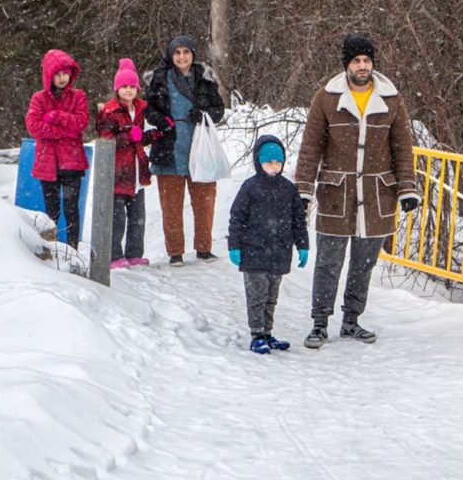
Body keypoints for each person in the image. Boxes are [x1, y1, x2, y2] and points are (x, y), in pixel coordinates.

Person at [294, 33, 420, 349]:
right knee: (328, 262)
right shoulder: (326, 97)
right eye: (356, 61)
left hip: (378, 195)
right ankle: (319, 323)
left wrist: (407, 187)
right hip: (337, 194)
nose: (362, 66)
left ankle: (351, 320)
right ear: (346, 65)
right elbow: (311, 146)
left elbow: (402, 147)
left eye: (366, 60)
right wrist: (304, 189)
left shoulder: (391, 98)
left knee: (364, 264)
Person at [144, 35, 225, 267]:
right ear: (171, 55)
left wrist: (204, 114)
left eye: (186, 52)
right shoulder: (159, 78)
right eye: (177, 52)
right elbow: (148, 110)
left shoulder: (205, 78)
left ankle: (204, 248)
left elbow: (219, 110)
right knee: (171, 204)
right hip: (169, 146)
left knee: (204, 201)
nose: (181, 57)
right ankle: (176, 252)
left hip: (200, 147)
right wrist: (163, 120)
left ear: (193, 54)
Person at [227, 135, 310, 354]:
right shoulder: (250, 187)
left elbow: (298, 220)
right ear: (258, 162)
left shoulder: (289, 189)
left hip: (279, 252)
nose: (273, 167)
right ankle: (257, 334)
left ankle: (267, 332)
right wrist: (234, 246)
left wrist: (302, 245)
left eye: (277, 162)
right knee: (257, 295)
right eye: (268, 162)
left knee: (272, 296)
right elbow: (237, 217)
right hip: (254, 251)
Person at [96, 58, 170, 269]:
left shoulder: (139, 109)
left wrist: (156, 134)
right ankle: (115, 255)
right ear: (117, 89)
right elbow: (106, 139)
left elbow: (139, 139)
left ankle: (135, 253)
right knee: (117, 220)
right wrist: (129, 135)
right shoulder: (109, 111)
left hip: (137, 172)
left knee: (138, 217)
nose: (128, 91)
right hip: (118, 172)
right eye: (124, 87)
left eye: (132, 87)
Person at [25, 49, 90, 250]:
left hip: (72, 163)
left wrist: (56, 116)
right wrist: (64, 132)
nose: (63, 78)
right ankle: (51, 250)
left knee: (72, 210)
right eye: (58, 73)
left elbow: (81, 122)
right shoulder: (39, 98)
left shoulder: (78, 96)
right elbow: (33, 125)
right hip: (48, 164)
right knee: (51, 212)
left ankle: (72, 249)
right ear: (49, 75)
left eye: (66, 73)